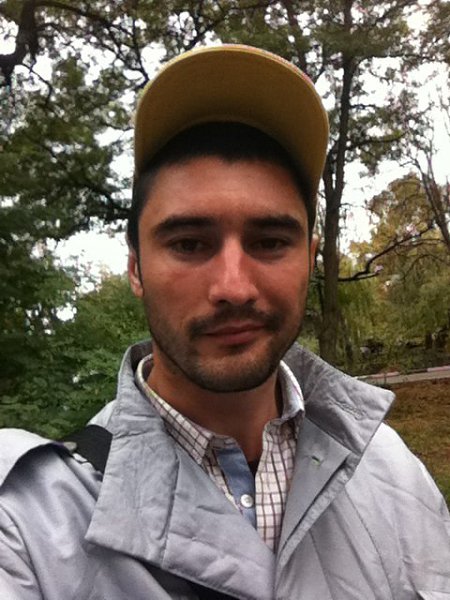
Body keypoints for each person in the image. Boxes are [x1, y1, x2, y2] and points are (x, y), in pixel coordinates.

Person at [0, 45, 449, 600]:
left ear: (310, 259)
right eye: (190, 244)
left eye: (269, 242)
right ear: (136, 268)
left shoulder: (393, 471)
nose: (234, 287)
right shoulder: (29, 527)